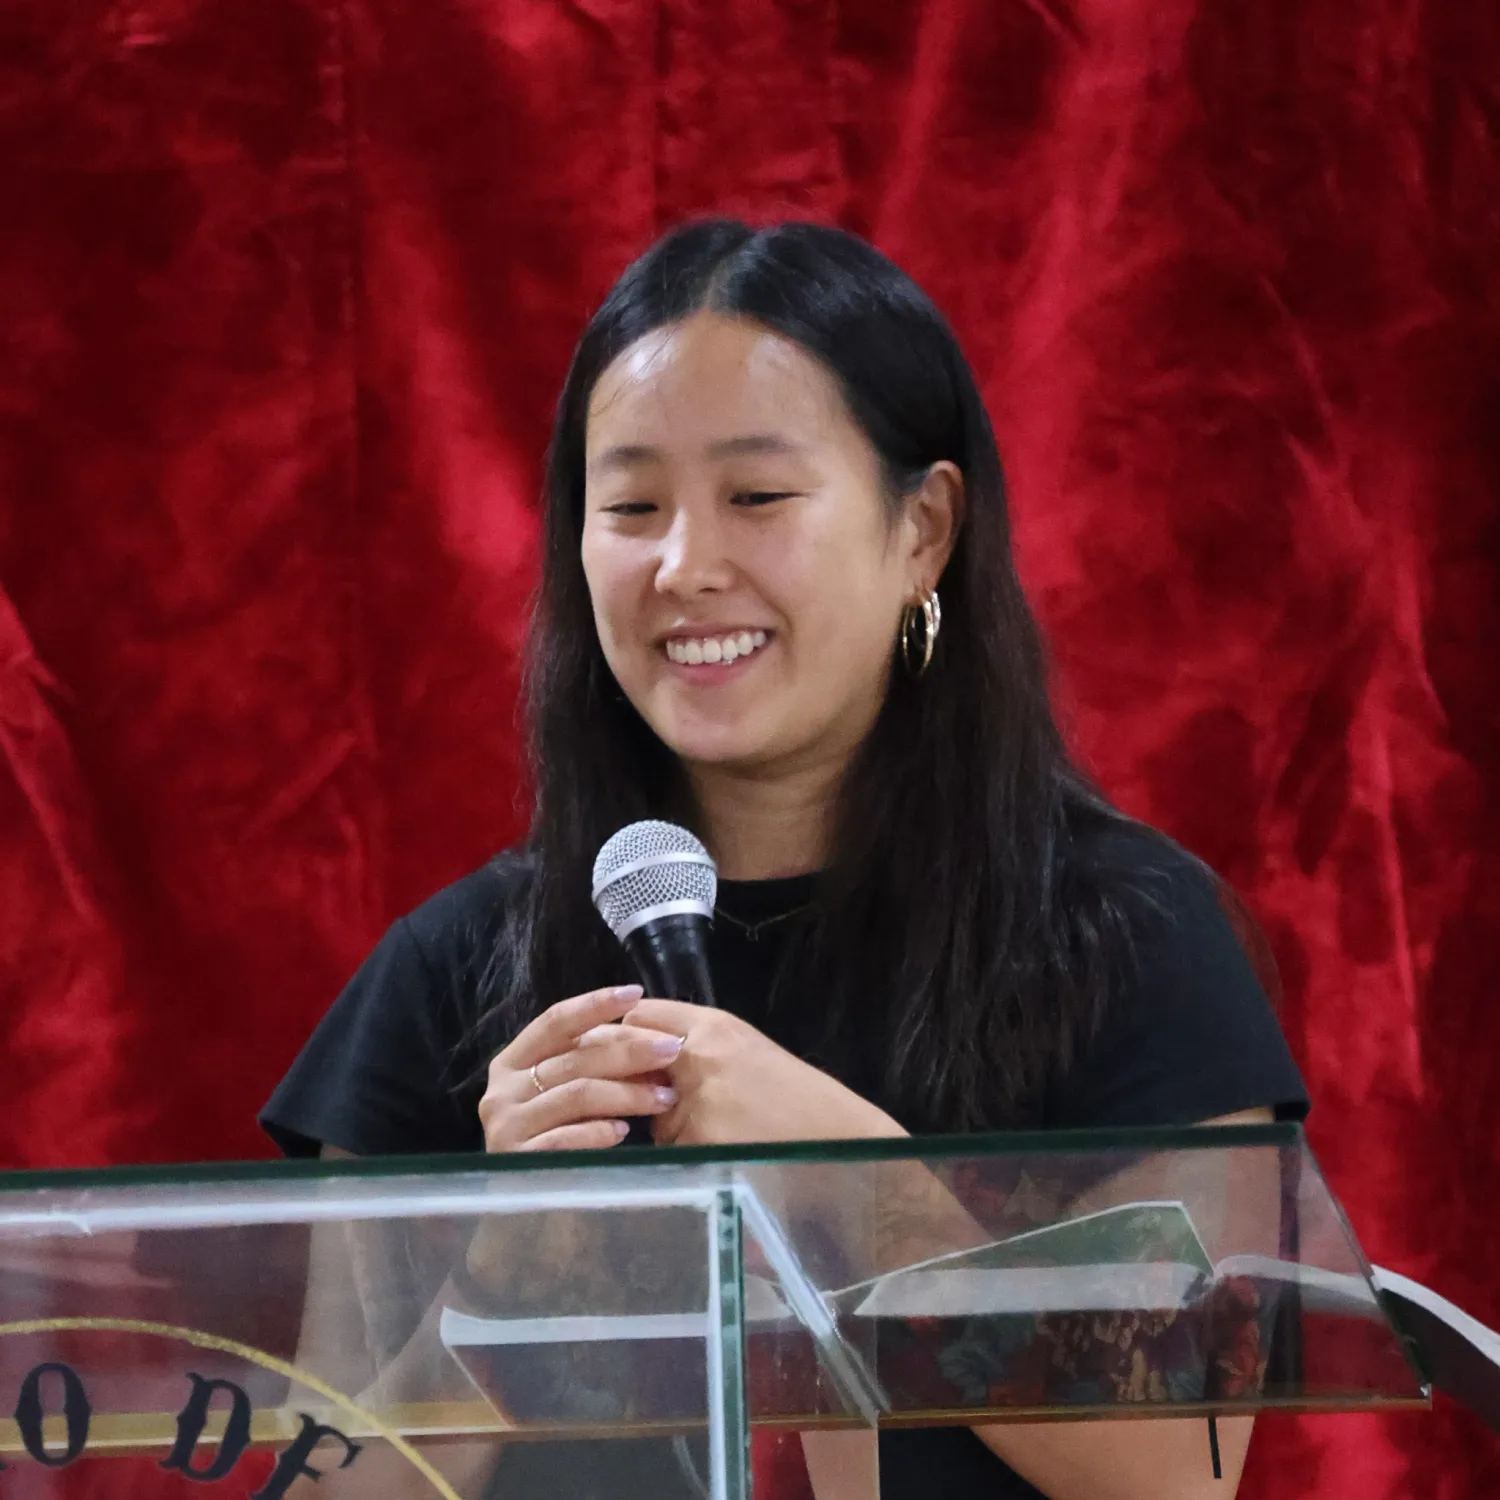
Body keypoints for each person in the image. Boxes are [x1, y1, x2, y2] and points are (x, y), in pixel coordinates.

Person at [262, 219, 1308, 1500]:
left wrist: (846, 1178)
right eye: (631, 507)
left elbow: (1177, 1469)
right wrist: (495, 1286)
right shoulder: (456, 974)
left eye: (756, 496)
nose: (685, 566)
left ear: (924, 529)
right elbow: (314, 1486)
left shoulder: (1127, 939)